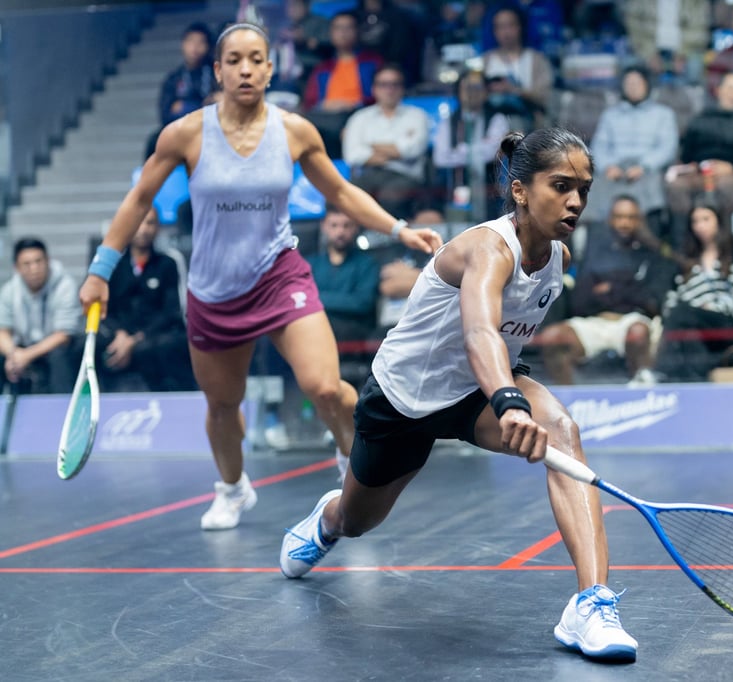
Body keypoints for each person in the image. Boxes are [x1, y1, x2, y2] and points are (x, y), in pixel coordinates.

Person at [279, 128, 639, 662]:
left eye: (583, 188)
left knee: (563, 432)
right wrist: (509, 401)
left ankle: (591, 604)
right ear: (519, 190)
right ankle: (326, 520)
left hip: (475, 394)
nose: (575, 200)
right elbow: (479, 333)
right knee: (358, 521)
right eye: (560, 185)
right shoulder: (488, 249)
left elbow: (501, 345)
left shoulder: (557, 258)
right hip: (405, 400)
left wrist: (503, 394)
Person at [78, 22, 442, 531]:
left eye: (255, 59)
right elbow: (139, 200)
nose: (245, 68)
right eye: (234, 60)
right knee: (223, 406)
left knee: (325, 386)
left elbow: (339, 192)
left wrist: (399, 229)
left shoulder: (294, 131)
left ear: (270, 69)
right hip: (212, 291)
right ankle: (232, 488)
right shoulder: (184, 134)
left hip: (279, 276)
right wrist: (101, 270)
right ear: (218, 69)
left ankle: (352, 462)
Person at [535, 195, 672, 386]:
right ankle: (569, 400)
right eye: (619, 217)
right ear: (610, 220)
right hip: (593, 323)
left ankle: (641, 395)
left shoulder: (650, 255)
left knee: (638, 333)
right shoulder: (592, 252)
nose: (624, 223)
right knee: (552, 337)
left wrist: (610, 289)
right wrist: (627, 288)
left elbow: (651, 302)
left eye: (631, 217)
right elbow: (580, 300)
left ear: (640, 221)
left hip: (632, 322)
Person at [653, 200, 733, 382]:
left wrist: (711, 307)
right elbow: (672, 300)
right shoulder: (684, 262)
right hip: (694, 326)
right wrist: (696, 312)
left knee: (682, 312)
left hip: (730, 324)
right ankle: (698, 381)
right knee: (688, 330)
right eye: (695, 221)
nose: (700, 226)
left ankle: (659, 371)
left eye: (706, 219)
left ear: (719, 221)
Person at [99, 207, 194, 392]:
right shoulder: (112, 266)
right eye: (138, 223)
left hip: (157, 335)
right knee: (83, 348)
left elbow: (173, 311)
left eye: (150, 223)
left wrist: (135, 339)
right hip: (118, 336)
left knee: (163, 348)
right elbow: (106, 310)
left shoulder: (169, 262)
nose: (143, 229)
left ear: (157, 228)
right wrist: (120, 335)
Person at [587, 65, 678, 227]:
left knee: (652, 191)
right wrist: (608, 166)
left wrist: (644, 166)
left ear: (647, 85)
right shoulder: (610, 115)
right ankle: (598, 242)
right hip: (614, 170)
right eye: (629, 83)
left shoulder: (664, 114)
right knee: (594, 190)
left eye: (637, 83)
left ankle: (649, 238)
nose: (633, 87)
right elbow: (599, 146)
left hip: (647, 170)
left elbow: (667, 147)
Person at [342, 64, 430, 221]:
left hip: (405, 176)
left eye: (395, 84)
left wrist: (370, 146)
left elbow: (413, 150)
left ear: (402, 88)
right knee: (344, 194)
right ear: (374, 89)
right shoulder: (359, 118)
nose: (389, 90)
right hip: (368, 176)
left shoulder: (418, 116)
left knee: (392, 196)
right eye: (383, 85)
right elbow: (352, 155)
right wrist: (395, 151)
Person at [666, 71, 733, 231]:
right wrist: (694, 166)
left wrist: (732, 167)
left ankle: (725, 243)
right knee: (676, 187)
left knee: (726, 187)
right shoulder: (700, 119)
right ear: (718, 90)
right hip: (699, 172)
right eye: (730, 88)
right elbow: (686, 153)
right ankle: (685, 244)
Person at [0, 238, 80, 394]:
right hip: (23, 347)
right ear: (16, 267)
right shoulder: (9, 290)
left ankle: (63, 409)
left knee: (60, 356)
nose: (34, 269)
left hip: (57, 347)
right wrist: (13, 355)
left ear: (48, 261)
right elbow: (3, 331)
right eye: (27, 264)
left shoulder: (65, 286)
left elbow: (63, 335)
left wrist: (27, 355)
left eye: (38, 261)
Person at [432, 69, 511, 224]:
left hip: (488, 189)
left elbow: (491, 152)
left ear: (485, 92)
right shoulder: (449, 121)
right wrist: (476, 150)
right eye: (466, 88)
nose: (471, 93)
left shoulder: (497, 118)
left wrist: (458, 151)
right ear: (458, 92)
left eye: (476, 88)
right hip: (454, 185)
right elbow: (440, 158)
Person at [301, 10, 382, 158]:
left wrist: (353, 104)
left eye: (348, 28)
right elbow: (310, 102)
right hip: (325, 117)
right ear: (331, 33)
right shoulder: (322, 68)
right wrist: (324, 105)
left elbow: (382, 95)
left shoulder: (372, 62)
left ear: (357, 31)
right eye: (338, 28)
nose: (343, 33)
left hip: (359, 114)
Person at [306, 205, 380, 361]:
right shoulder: (311, 264)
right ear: (324, 226)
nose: (340, 232)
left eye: (346, 225)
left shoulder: (367, 264)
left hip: (354, 337)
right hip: (317, 333)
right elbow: (304, 300)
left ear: (355, 228)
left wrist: (318, 298)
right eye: (334, 225)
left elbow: (363, 303)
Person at [146, 22, 217, 159]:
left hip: (209, 129)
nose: (195, 48)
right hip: (179, 130)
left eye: (200, 43)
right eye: (191, 42)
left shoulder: (216, 75)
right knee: (154, 140)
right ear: (183, 45)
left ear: (208, 47)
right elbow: (165, 112)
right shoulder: (173, 79)